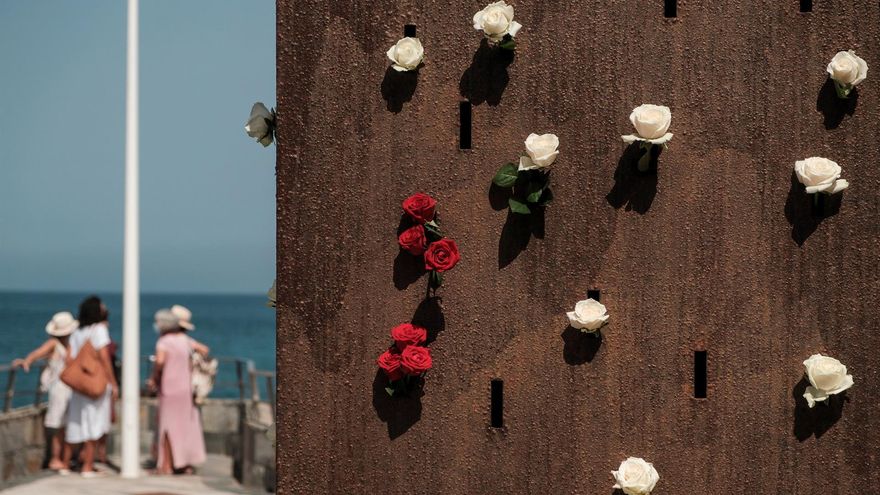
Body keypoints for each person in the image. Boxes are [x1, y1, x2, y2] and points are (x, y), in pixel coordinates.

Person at [11, 311, 77, 473]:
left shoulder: (68, 344)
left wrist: (28, 360)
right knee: (59, 425)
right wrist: (27, 361)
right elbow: (38, 353)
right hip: (62, 389)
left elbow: (38, 354)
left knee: (63, 426)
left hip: (69, 388)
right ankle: (56, 459)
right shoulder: (55, 344)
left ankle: (62, 458)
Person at [147, 307, 209, 474]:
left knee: (167, 426)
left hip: (169, 388)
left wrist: (154, 377)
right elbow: (205, 350)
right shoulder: (186, 340)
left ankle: (165, 465)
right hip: (185, 389)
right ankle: (183, 464)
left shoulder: (164, 342)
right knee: (184, 426)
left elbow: (159, 362)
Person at [63, 296, 118, 477]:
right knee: (94, 423)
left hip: (79, 385)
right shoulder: (99, 330)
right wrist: (112, 381)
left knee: (76, 421)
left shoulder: (77, 332)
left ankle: (65, 464)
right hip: (95, 383)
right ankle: (87, 466)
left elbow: (69, 358)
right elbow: (103, 357)